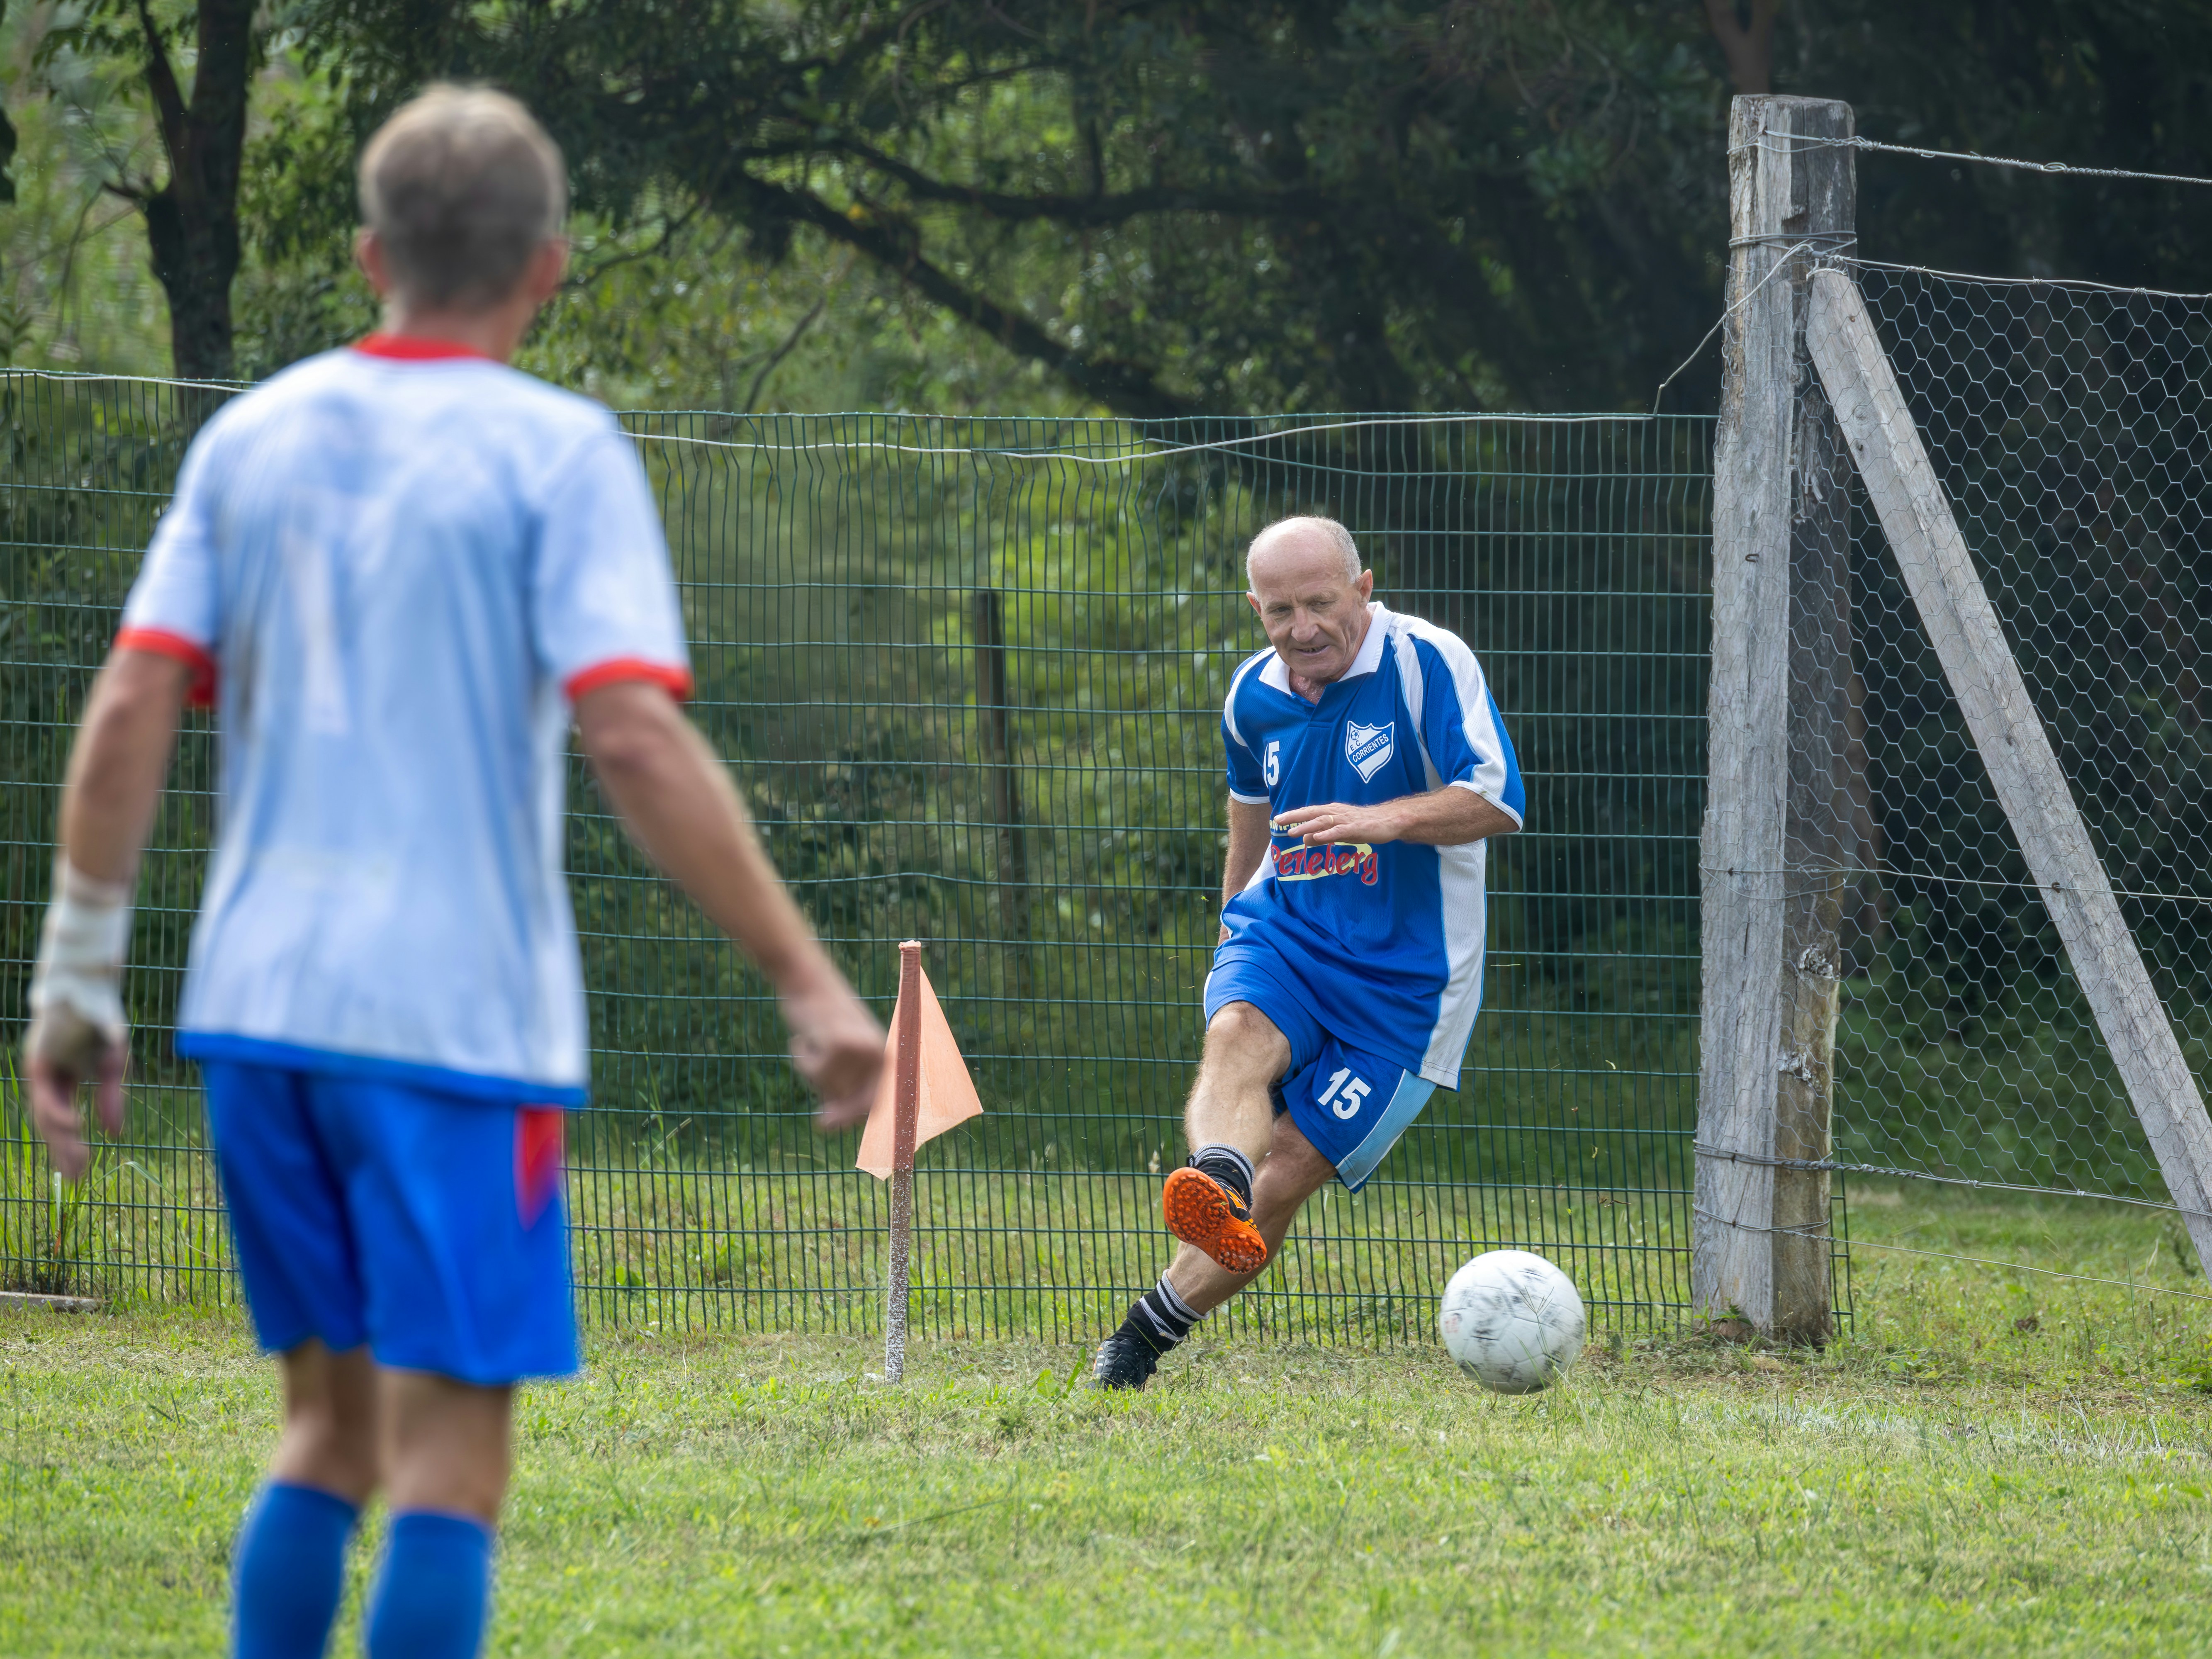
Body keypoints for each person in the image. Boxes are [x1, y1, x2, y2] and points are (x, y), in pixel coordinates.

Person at [20, 86, 883, 1659]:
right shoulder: (557, 453)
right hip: (458, 1033)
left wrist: (77, 972)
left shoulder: (250, 438)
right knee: (444, 1468)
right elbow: (632, 737)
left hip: (262, 1018)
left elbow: (137, 697)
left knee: (325, 1437)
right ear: (547, 266)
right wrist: (810, 984)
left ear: (369, 259)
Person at [1092, 515, 1523, 1389]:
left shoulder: (1427, 662)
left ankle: (1141, 1337)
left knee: (1285, 1172)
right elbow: (1247, 809)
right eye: (1280, 610)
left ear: (1363, 589)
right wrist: (1232, 923)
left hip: (1407, 988)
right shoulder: (1252, 694)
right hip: (1285, 931)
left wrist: (1382, 819)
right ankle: (1215, 1176)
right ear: (1255, 607)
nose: (1302, 628)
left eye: (1321, 603)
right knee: (1238, 1031)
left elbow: (1495, 798)